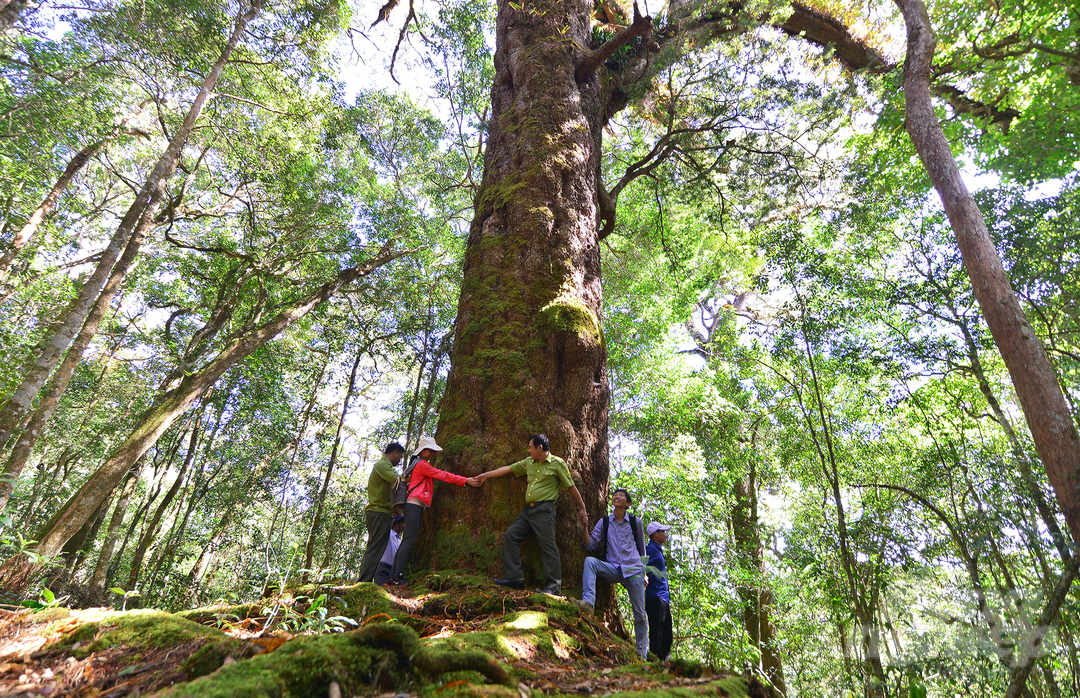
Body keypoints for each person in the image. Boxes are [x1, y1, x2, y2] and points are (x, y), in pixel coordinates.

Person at [477, 434, 588, 595]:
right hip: (528, 511)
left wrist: (582, 507)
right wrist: (486, 475)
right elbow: (509, 469)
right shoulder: (529, 462)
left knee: (548, 546)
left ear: (540, 448)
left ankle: (554, 587)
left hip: (545, 510)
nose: (528, 450)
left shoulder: (557, 463)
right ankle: (515, 579)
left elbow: (570, 487)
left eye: (530, 447)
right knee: (511, 535)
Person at [386, 436, 480, 587]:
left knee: (406, 541)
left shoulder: (416, 464)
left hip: (412, 505)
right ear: (422, 451)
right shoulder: (422, 464)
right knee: (408, 541)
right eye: (430, 450)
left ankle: (393, 577)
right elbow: (443, 475)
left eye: (433, 452)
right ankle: (397, 576)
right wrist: (465, 480)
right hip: (414, 505)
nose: (432, 454)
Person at [573, 489, 648, 660]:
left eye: (621, 496)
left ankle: (641, 655)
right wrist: (585, 527)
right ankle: (588, 603)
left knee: (640, 615)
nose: (617, 496)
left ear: (628, 504)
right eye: (615, 495)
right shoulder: (605, 522)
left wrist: (644, 573)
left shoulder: (636, 523)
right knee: (590, 561)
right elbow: (590, 545)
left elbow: (642, 550)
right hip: (614, 568)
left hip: (633, 570)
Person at [357, 442, 405, 583]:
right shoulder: (383, 465)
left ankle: (364, 581)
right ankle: (363, 582)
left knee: (375, 547)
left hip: (381, 512)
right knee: (376, 548)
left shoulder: (385, 466)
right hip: (379, 513)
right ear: (394, 453)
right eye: (400, 456)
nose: (400, 460)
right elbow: (397, 480)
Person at [645, 521, 673, 660]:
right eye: (664, 532)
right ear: (656, 534)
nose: (666, 535)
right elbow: (640, 567)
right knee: (657, 632)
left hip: (663, 598)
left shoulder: (657, 550)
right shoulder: (649, 550)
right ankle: (656, 663)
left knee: (667, 634)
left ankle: (663, 661)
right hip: (654, 597)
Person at [373, 515, 405, 585]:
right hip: (383, 569)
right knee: (380, 591)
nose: (404, 525)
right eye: (402, 523)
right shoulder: (389, 534)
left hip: (393, 572)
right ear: (396, 523)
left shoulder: (399, 540)